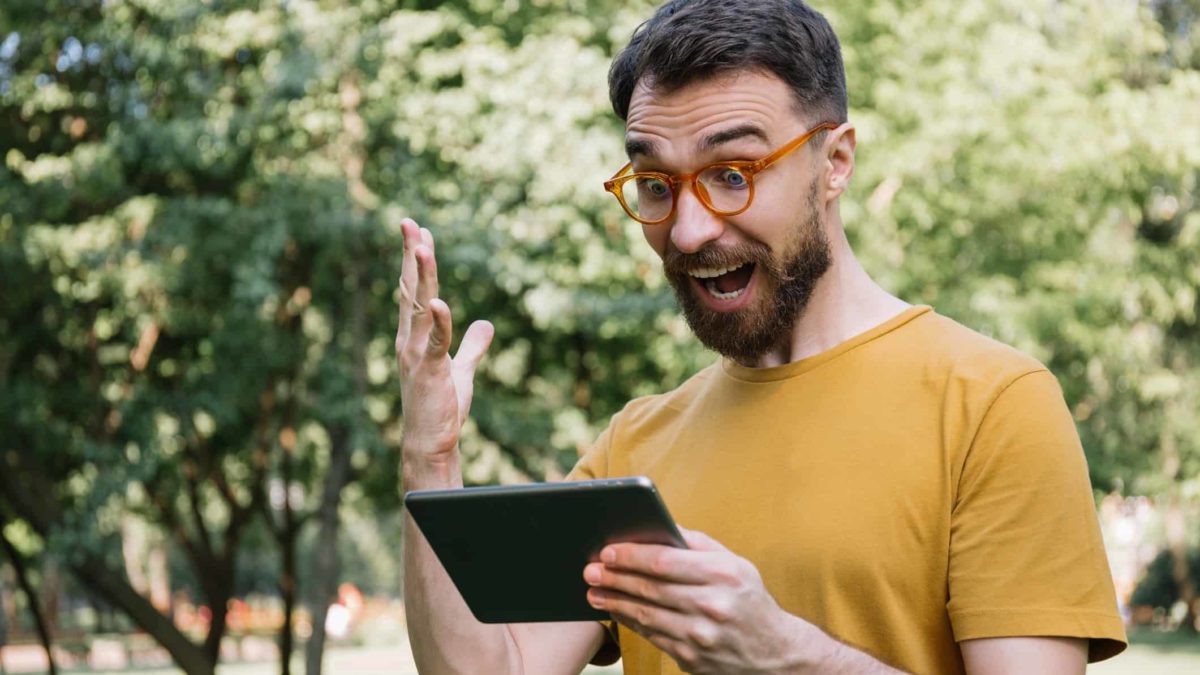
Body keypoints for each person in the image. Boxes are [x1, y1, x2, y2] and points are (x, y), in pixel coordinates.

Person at [396, 0, 1127, 672]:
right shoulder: (633, 448)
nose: (688, 230)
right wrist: (429, 458)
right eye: (656, 184)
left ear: (834, 163)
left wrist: (785, 655)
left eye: (733, 173)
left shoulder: (995, 406)